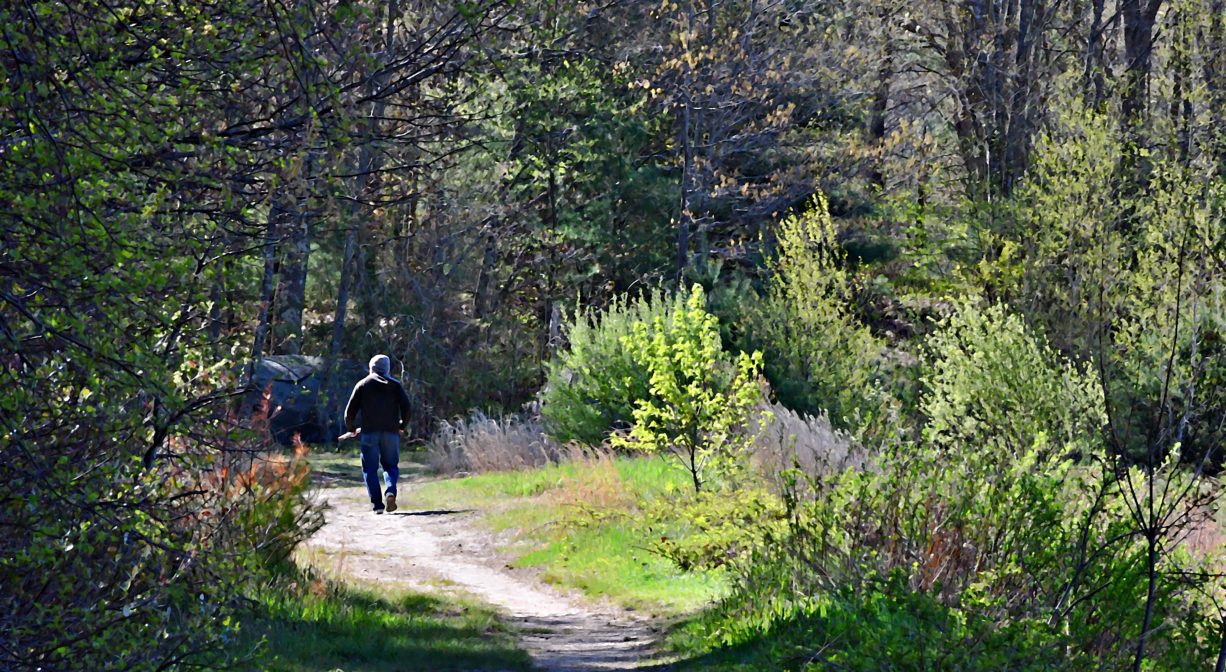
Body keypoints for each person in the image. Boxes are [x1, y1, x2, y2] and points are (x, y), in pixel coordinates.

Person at [344, 354, 411, 514]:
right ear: (387, 368)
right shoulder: (395, 385)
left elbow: (349, 412)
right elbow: (407, 408)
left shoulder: (363, 384)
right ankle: (390, 491)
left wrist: (351, 428)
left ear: (371, 367)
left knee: (370, 469)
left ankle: (377, 506)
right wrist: (402, 425)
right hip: (391, 433)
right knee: (390, 466)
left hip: (369, 433)